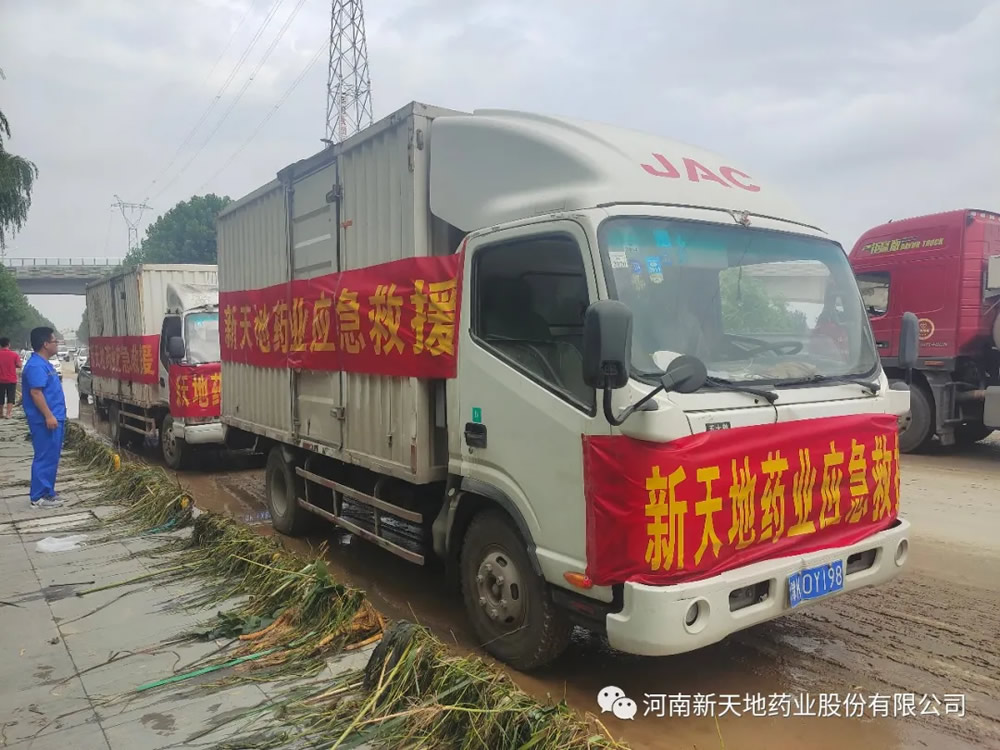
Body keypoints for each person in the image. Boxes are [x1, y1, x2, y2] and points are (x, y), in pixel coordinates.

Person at [22, 327, 66, 509]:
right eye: (55, 341)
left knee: (52, 457)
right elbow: (36, 393)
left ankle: (48, 491)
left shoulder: (45, 364)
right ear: (45, 344)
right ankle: (38, 497)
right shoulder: (36, 366)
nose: (57, 344)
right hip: (45, 421)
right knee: (45, 456)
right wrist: (48, 416)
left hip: (55, 418)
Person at [0, 337, 22, 419]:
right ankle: (8, 414)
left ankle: (1, 413)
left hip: (0, 380)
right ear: (9, 344)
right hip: (11, 379)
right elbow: (19, 365)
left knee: (0, 396)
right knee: (10, 397)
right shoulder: (14, 355)